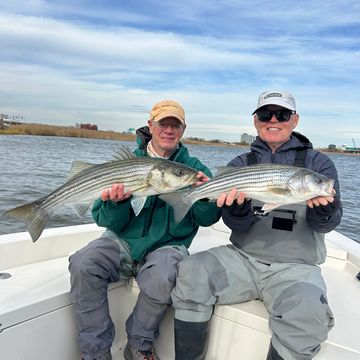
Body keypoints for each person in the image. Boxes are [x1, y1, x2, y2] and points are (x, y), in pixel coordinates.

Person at [171, 90, 343, 360]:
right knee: (191, 271)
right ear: (255, 121)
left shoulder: (318, 164)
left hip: (296, 267)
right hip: (243, 259)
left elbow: (327, 225)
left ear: (295, 120)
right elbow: (235, 225)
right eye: (265, 114)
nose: (273, 120)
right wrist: (237, 210)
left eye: (282, 114)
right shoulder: (240, 163)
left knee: (309, 313)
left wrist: (327, 210)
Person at [68, 100, 221, 360]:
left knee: (165, 274)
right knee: (83, 262)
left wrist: (204, 196)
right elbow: (103, 220)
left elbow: (206, 219)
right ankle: (95, 352)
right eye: (163, 123)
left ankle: (139, 345)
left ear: (183, 130)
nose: (169, 130)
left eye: (176, 125)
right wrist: (117, 204)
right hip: (121, 242)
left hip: (166, 246)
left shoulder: (193, 170)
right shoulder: (126, 164)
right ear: (151, 126)